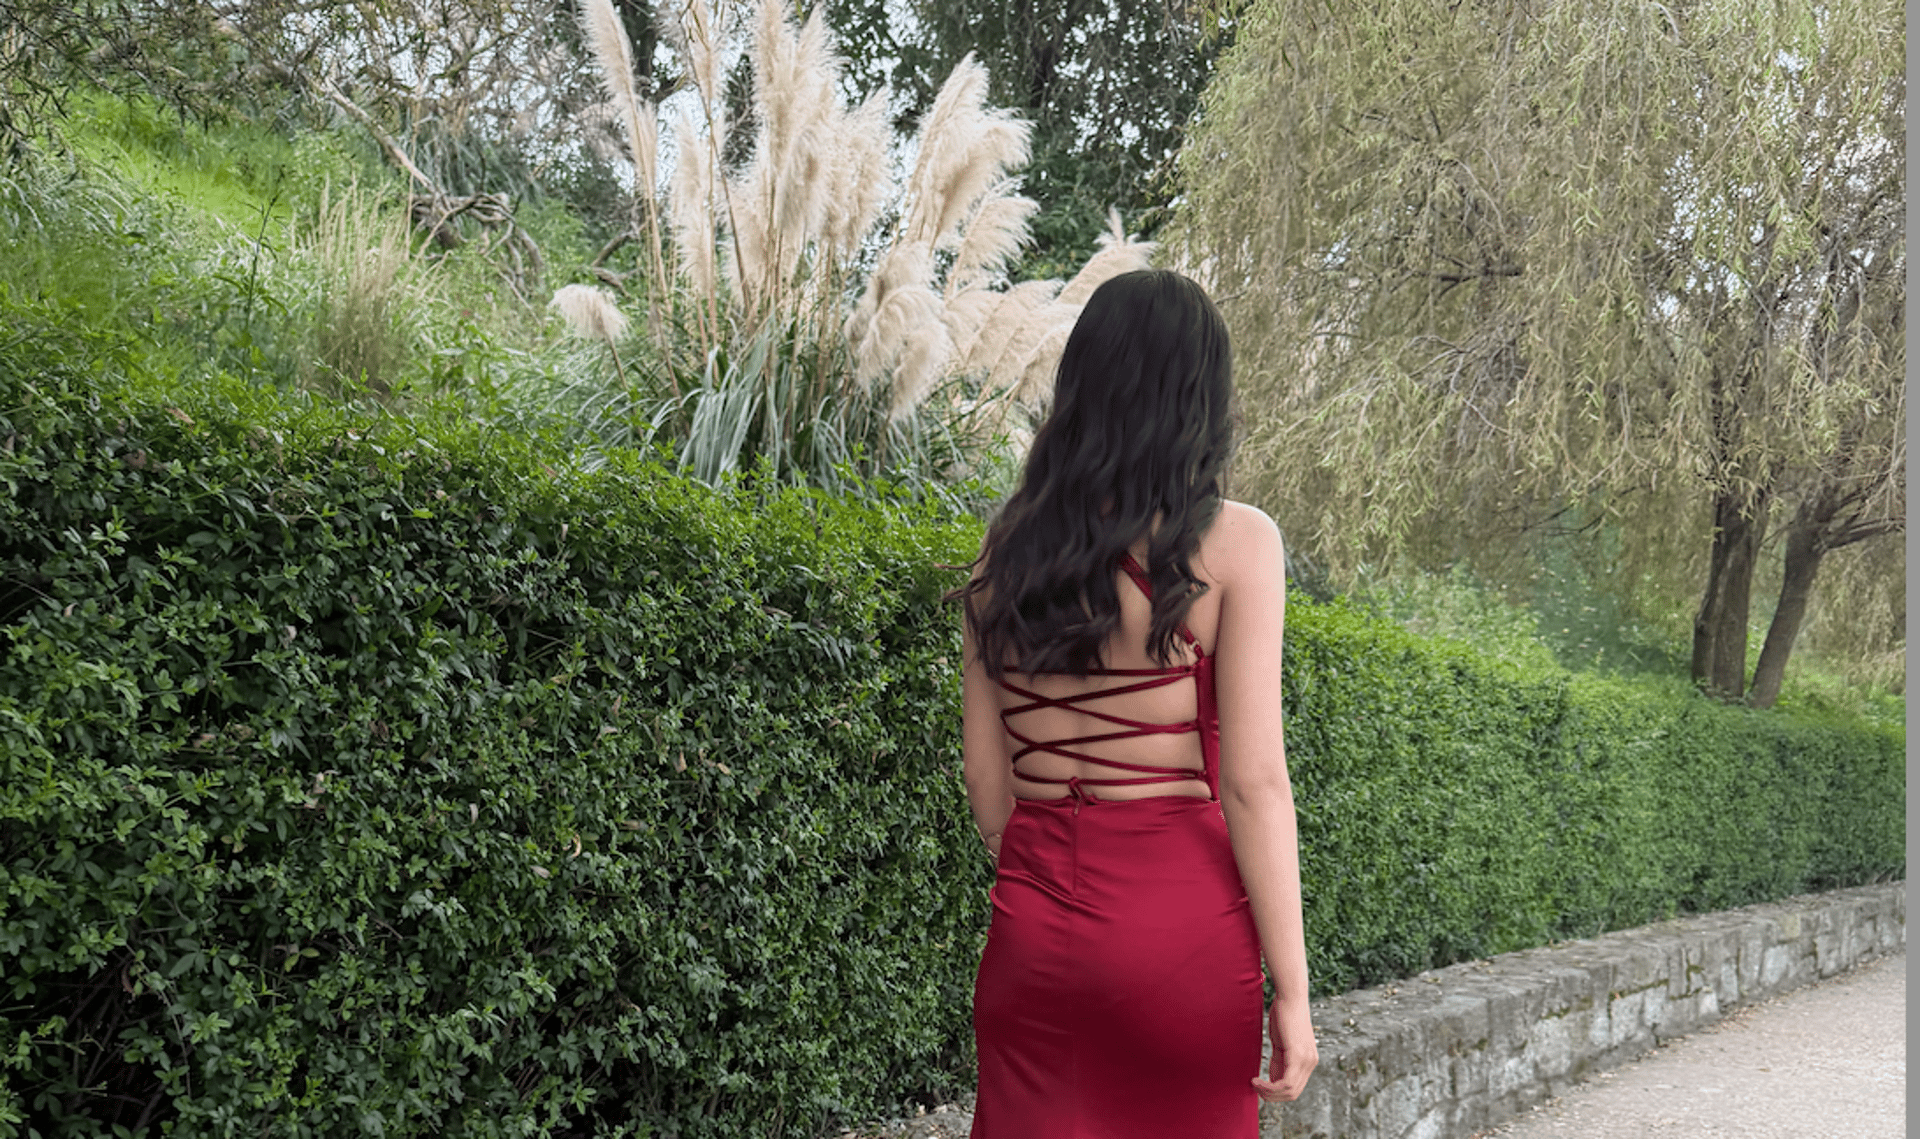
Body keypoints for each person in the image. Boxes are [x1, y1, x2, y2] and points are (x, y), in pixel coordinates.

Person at [954, 269, 1316, 1137]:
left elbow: (990, 794)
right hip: (1178, 931)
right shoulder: (1235, 545)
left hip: (1033, 931)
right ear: (1198, 398)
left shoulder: (1000, 559)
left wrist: (1059, 884)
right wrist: (1294, 992)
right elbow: (1256, 784)